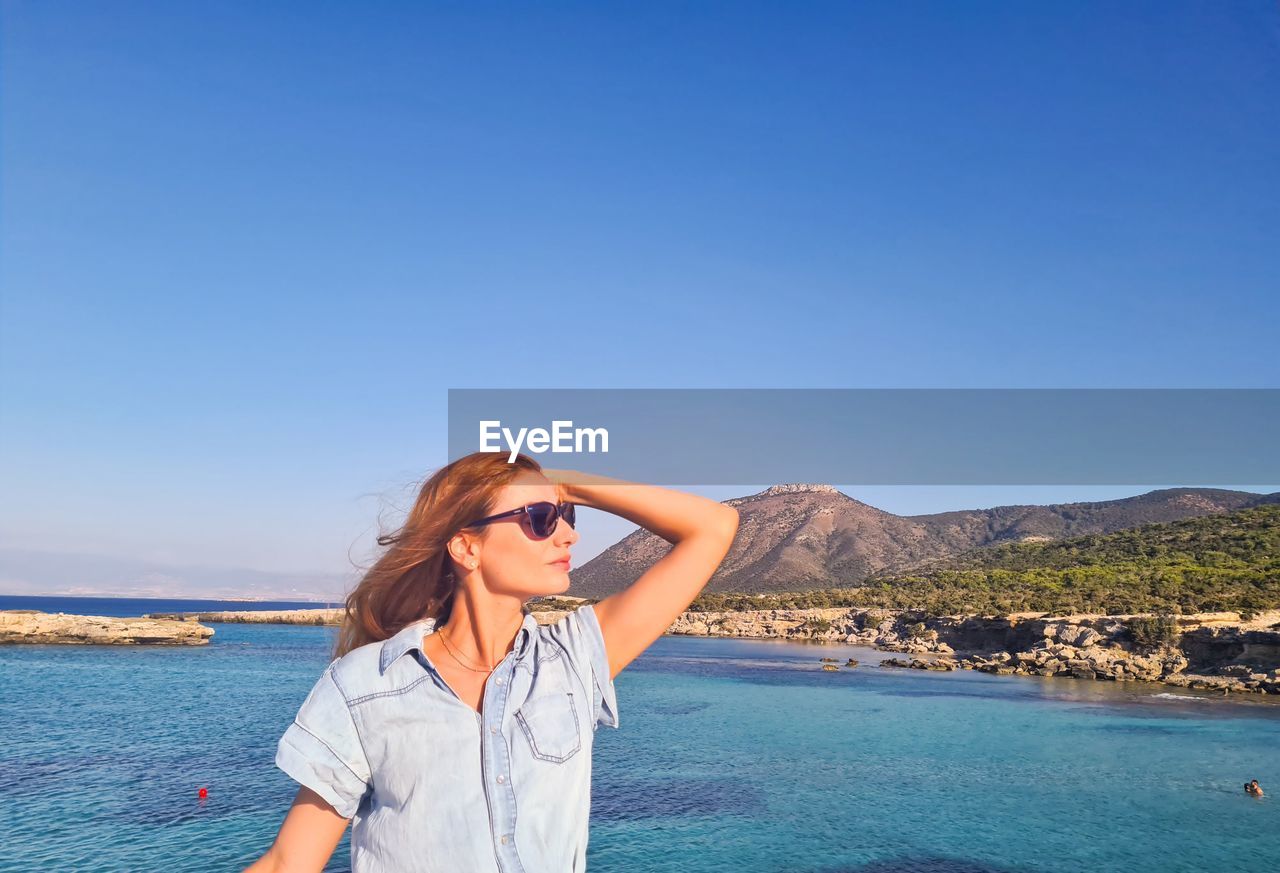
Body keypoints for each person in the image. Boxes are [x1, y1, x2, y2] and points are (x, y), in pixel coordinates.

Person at [244, 451, 739, 873]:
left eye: (568, 518)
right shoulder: (364, 685)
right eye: (541, 520)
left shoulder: (573, 659)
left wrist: (566, 486)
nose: (568, 536)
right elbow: (290, 862)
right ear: (466, 547)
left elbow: (714, 526)